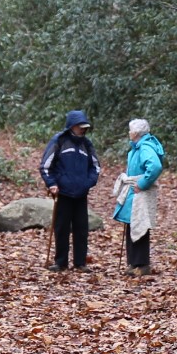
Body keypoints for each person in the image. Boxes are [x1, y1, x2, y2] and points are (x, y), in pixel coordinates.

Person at [38, 110, 100, 271]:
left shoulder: (87, 144)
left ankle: (80, 263)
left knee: (81, 229)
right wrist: (51, 184)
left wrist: (88, 183)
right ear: (72, 126)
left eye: (85, 127)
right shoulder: (59, 141)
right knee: (61, 228)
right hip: (63, 193)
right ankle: (61, 262)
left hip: (81, 194)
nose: (84, 130)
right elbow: (45, 166)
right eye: (81, 127)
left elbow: (96, 167)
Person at [112, 118, 164, 275]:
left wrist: (142, 184)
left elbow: (155, 166)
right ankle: (133, 263)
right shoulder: (138, 147)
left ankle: (141, 264)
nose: (129, 133)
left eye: (130, 130)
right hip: (133, 191)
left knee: (140, 224)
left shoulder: (145, 147)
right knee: (132, 223)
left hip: (139, 191)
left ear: (135, 133)